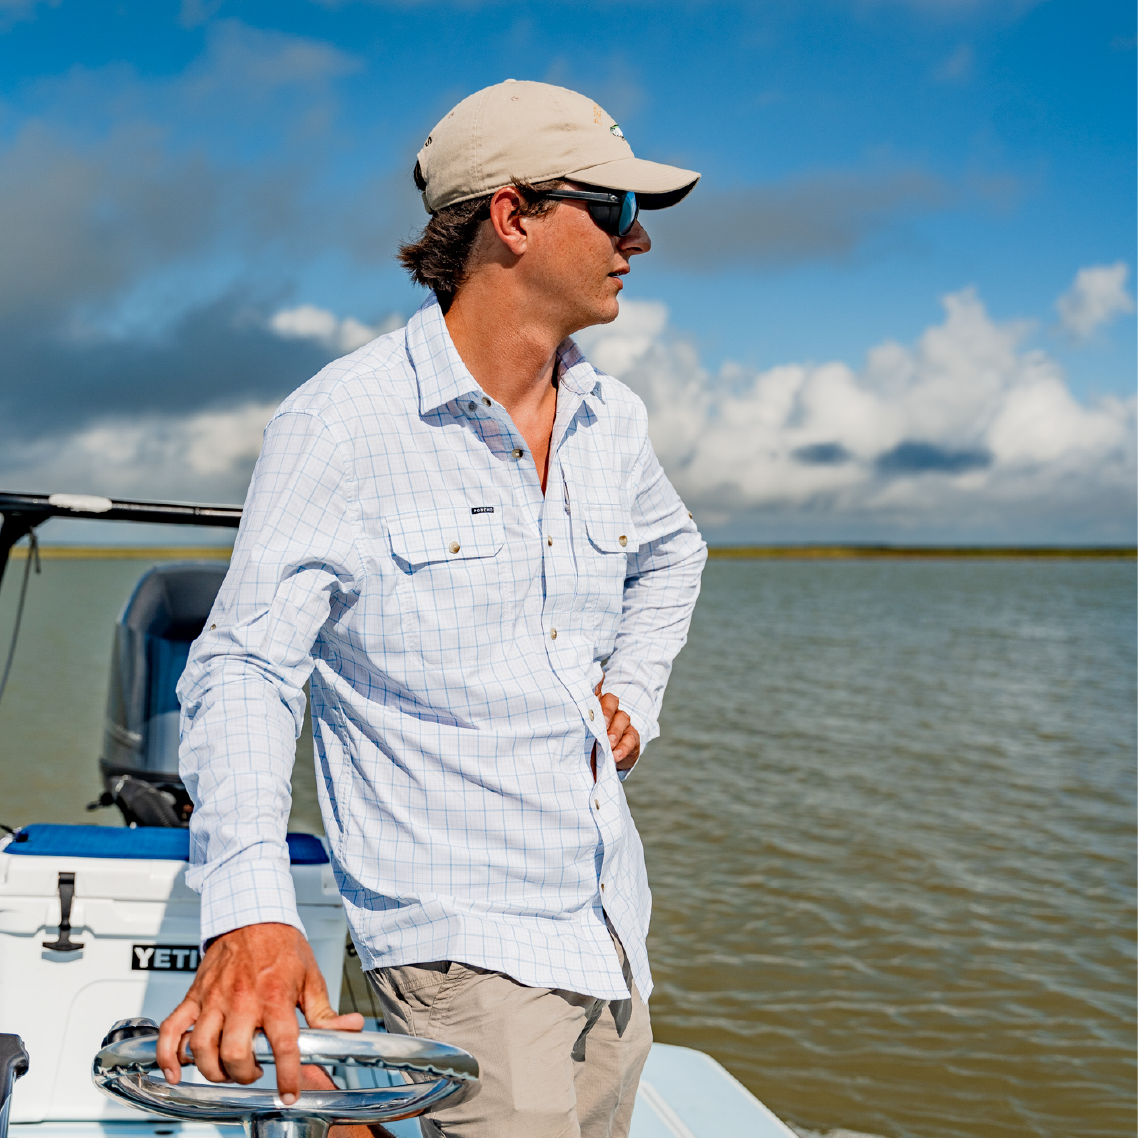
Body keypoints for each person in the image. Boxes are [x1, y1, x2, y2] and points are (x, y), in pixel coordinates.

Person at [157, 79, 706, 1138]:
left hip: (610, 931)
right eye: (617, 211)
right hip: (462, 954)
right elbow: (244, 667)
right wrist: (252, 908)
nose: (637, 244)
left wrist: (632, 688)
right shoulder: (341, 426)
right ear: (514, 215)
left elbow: (674, 554)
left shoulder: (611, 416)